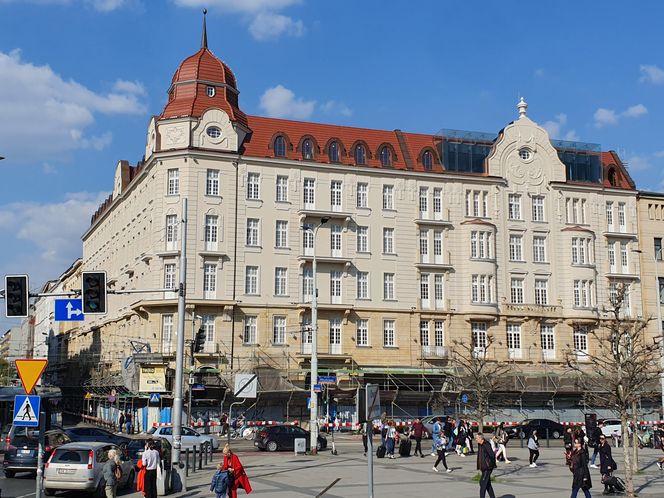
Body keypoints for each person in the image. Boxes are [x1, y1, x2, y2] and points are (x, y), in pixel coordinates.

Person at [476, 433, 496, 498]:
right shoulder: (480, 444)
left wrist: (490, 464)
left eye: (477, 438)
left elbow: (492, 455)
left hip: (487, 468)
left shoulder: (486, 444)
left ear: (481, 438)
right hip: (483, 467)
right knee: (487, 484)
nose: (476, 439)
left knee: (482, 483)